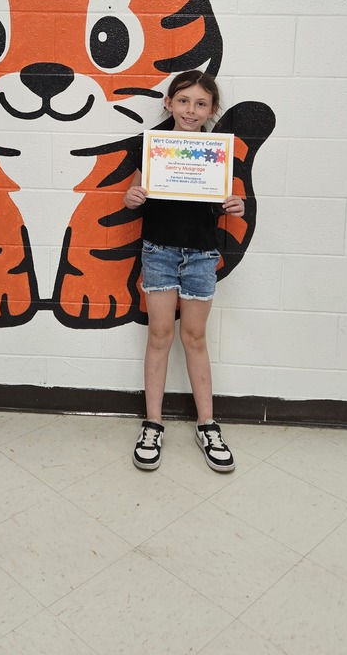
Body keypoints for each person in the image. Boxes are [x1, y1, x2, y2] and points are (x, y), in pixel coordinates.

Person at [123, 70, 245, 474]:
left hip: (202, 255)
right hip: (158, 251)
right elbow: (133, 195)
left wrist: (236, 204)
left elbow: (229, 196)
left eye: (201, 103)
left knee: (195, 338)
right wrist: (132, 196)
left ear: (212, 110)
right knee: (159, 336)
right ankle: (153, 424)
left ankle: (207, 425)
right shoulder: (153, 146)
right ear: (168, 103)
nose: (191, 110)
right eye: (183, 101)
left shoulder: (218, 152)